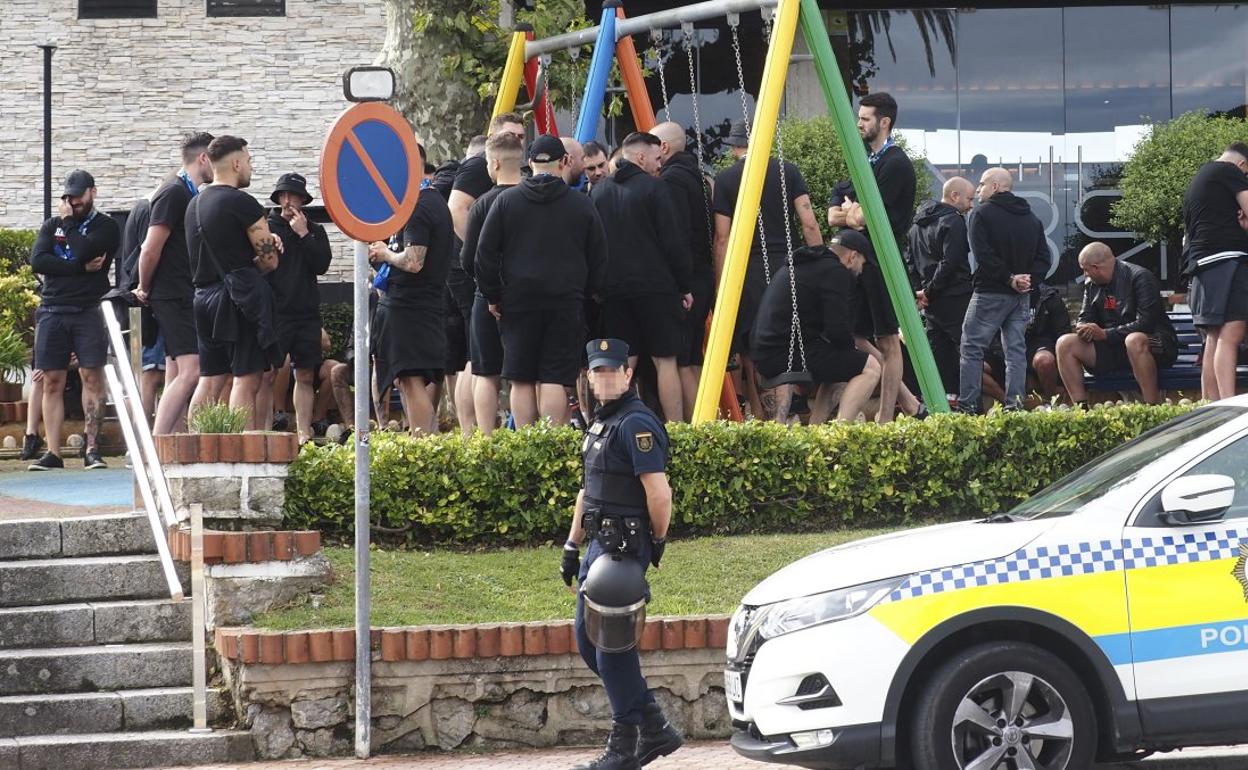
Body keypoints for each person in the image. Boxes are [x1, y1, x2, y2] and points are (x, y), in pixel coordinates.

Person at [560, 338, 681, 770]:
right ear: (590, 377)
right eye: (599, 371)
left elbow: (659, 493)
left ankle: (625, 746)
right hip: (597, 547)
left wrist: (657, 542)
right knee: (590, 646)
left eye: (614, 370)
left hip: (624, 552)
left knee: (611, 651)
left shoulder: (635, 424)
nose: (606, 377)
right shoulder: (599, 423)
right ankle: (655, 727)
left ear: (627, 375)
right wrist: (571, 545)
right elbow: (587, 490)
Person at [475, 135, 608, 427]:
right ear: (564, 162)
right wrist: (585, 292)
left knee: (521, 377)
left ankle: (526, 446)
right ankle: (551, 444)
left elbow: (483, 256)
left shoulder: (506, 202)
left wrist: (493, 295)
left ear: (530, 164)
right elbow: (599, 256)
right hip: (565, 300)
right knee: (554, 376)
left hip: (517, 301)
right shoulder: (581, 205)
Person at [712, 120, 822, 417]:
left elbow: (722, 238)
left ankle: (762, 413)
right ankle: (791, 410)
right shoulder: (790, 171)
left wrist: (722, 284)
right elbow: (808, 221)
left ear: (735, 147)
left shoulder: (725, 180)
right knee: (789, 337)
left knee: (751, 345)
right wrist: (820, 263)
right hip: (788, 266)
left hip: (746, 271)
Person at [827, 94, 919, 422]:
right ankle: (908, 403)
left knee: (888, 340)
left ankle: (886, 416)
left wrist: (853, 213)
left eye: (865, 119)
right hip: (862, 263)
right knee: (856, 334)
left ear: (884, 122)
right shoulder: (870, 160)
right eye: (859, 117)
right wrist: (848, 212)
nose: (859, 123)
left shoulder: (894, 164)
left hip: (883, 264)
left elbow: (864, 218)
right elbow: (837, 207)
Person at [185, 135, 284, 428]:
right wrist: (265, 251)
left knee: (211, 378)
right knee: (247, 376)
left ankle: (196, 447)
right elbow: (269, 260)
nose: (250, 167)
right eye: (249, 161)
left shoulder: (194, 204)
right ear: (236, 162)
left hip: (202, 298)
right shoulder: (243, 203)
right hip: (237, 300)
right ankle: (240, 451)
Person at [591, 132, 691, 422]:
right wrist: (684, 285)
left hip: (614, 291)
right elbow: (674, 242)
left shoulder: (598, 192)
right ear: (641, 157)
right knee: (666, 360)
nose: (660, 165)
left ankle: (608, 425)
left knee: (619, 361)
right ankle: (676, 428)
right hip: (656, 288)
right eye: (657, 158)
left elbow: (594, 244)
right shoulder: (656, 190)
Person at [27, 169, 121, 471]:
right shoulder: (50, 225)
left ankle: (92, 448)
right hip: (53, 310)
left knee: (92, 377)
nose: (72, 202)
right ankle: (53, 452)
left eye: (77, 196)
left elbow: (84, 249)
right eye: (67, 197)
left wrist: (68, 225)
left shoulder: (106, 226)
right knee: (52, 380)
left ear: (92, 192)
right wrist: (79, 269)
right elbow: (38, 261)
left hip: (88, 310)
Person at [368, 143, 454, 436]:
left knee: (410, 379)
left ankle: (423, 444)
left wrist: (384, 254)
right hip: (415, 304)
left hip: (411, 307)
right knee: (407, 379)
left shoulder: (419, 204)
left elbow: (415, 261)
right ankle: (422, 441)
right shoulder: (423, 201)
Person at [751, 234, 882, 423]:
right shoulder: (836, 272)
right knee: (871, 367)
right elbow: (837, 328)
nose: (861, 271)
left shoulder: (810, 263)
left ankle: (817, 429)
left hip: (766, 349)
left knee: (843, 362)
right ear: (852, 256)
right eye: (862, 263)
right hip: (784, 353)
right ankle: (841, 432)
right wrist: (850, 346)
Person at [136, 131, 214, 434]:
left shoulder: (187, 192)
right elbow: (150, 247)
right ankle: (156, 443)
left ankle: (172, 442)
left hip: (181, 291)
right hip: (172, 293)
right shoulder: (174, 192)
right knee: (192, 370)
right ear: (203, 158)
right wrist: (144, 287)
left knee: (177, 371)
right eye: (215, 159)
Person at [958, 168, 1052, 413]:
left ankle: (968, 406)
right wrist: (1028, 280)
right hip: (1021, 296)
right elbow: (1044, 258)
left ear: (996, 187)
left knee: (971, 348)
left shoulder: (980, 213)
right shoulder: (1032, 218)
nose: (978, 190)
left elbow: (982, 255)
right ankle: (1015, 406)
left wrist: (1009, 279)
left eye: (981, 184)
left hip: (990, 292)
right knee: (1015, 351)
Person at [1056, 242, 1178, 406]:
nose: (1085, 274)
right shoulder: (1091, 284)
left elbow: (1147, 322)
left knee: (1134, 340)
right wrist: (1083, 327)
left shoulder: (1140, 277)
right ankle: (1081, 409)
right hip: (1113, 347)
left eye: (1086, 270)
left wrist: (1106, 334)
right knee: (1064, 343)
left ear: (1097, 267)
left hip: (1156, 345)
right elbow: (1084, 317)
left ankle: (1152, 408)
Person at [461, 132, 524, 435]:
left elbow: (468, 257)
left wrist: (488, 291)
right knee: (524, 376)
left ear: (495, 162)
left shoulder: (483, 204)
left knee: (486, 372)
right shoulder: (534, 199)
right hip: (526, 295)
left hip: (485, 295)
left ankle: (486, 440)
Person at [652, 121, 715, 420]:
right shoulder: (698, 177)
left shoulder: (671, 181)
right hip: (702, 275)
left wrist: (678, 284)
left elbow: (674, 234)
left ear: (663, 148)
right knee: (693, 356)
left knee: (682, 360)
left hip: (687, 279)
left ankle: (694, 425)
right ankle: (704, 420)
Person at [266, 173, 332, 443]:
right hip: (276, 311)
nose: (288, 201)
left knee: (305, 372)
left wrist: (303, 234)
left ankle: (303, 432)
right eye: (284, 195)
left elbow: (322, 265)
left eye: (294, 196)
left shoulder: (314, 230)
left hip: (306, 313)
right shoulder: (266, 226)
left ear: (303, 200)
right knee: (267, 371)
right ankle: (267, 426)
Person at [1182, 142, 1248, 401]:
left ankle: (1211, 405)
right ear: (1242, 165)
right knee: (1232, 332)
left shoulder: (1197, 182)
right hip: (1227, 261)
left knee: (1213, 336)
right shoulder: (1228, 170)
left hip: (1202, 265)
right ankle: (1229, 405)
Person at [910, 177, 975, 398]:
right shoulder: (953, 221)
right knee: (967, 351)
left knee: (938, 354)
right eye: (969, 198)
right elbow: (951, 261)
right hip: (955, 296)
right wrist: (929, 291)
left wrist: (921, 292)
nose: (971, 205)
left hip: (930, 302)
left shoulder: (916, 226)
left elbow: (911, 263)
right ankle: (968, 403)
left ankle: (944, 401)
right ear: (954, 196)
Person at [983, 284, 1071, 404]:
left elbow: (1064, 337)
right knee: (974, 367)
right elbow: (985, 335)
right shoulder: (994, 296)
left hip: (1038, 347)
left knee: (1045, 361)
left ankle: (1049, 403)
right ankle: (1010, 404)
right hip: (1003, 351)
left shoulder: (1049, 296)